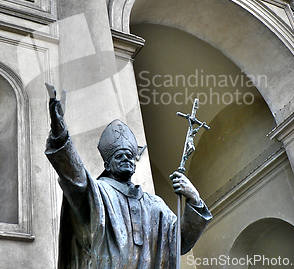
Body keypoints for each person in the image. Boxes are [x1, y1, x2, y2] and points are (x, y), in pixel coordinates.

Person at [45, 89, 212, 268]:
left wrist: (194, 200)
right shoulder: (99, 193)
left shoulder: (155, 205)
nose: (126, 158)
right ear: (107, 165)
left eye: (129, 155)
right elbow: (75, 177)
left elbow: (180, 242)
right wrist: (60, 134)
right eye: (119, 156)